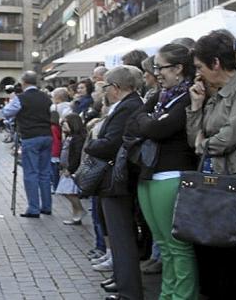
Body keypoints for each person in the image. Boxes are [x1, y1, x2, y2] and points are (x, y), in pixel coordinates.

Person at [187, 30, 236, 299]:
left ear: (215, 63)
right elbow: (192, 135)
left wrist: (204, 143)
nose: (199, 73)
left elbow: (230, 136)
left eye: (199, 67)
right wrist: (196, 105)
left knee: (230, 259)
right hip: (214, 180)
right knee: (210, 254)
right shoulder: (213, 94)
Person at [126, 43, 199, 299]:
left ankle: (183, 295)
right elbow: (136, 118)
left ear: (178, 68)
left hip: (172, 176)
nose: (156, 72)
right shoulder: (161, 95)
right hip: (150, 174)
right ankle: (167, 294)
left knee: (177, 247)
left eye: (161, 67)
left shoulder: (188, 95)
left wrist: (150, 123)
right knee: (164, 246)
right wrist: (151, 123)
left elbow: (156, 129)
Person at [84, 66, 145, 300]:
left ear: (116, 88)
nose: (105, 91)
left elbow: (111, 142)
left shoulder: (129, 106)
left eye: (106, 87)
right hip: (114, 178)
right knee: (118, 235)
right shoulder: (126, 105)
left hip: (117, 179)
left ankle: (129, 292)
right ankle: (122, 283)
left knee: (121, 237)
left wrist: (91, 142)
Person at [2, 71, 53, 217]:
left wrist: (13, 99)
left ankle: (33, 208)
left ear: (24, 82)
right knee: (44, 172)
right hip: (47, 135)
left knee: (31, 172)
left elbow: (6, 112)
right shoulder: (46, 97)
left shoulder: (22, 98)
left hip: (31, 136)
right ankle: (47, 206)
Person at [56, 113, 86, 225]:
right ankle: (76, 214)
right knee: (68, 191)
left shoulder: (77, 138)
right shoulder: (70, 137)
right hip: (66, 167)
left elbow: (76, 155)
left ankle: (79, 210)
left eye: (65, 122)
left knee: (68, 191)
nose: (63, 125)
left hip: (71, 169)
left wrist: (70, 169)